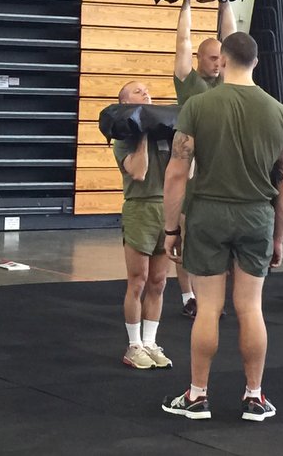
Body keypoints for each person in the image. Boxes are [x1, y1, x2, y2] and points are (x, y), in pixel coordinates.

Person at [161, 32, 283, 421]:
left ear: (221, 61)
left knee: (208, 309)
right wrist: (279, 236)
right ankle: (254, 397)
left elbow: (176, 173)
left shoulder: (198, 106)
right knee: (250, 307)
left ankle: (197, 396)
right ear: (255, 63)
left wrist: (172, 229)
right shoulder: (281, 114)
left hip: (207, 214)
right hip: (257, 215)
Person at [173, 0, 237, 318]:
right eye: (212, 58)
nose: (218, 62)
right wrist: (186, 2)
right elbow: (183, 41)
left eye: (220, 58)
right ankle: (188, 297)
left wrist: (224, 3)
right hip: (193, 164)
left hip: (220, 165)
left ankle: (211, 296)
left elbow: (233, 37)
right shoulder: (189, 82)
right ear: (200, 59)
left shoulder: (228, 82)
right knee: (186, 234)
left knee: (215, 239)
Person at [113, 81, 173, 370]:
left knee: (159, 282)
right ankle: (133, 345)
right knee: (138, 280)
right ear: (125, 103)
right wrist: (143, 133)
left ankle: (150, 342)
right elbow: (138, 171)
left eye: (148, 90)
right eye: (137, 91)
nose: (146, 93)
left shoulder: (165, 133)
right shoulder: (123, 139)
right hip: (140, 207)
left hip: (167, 207)